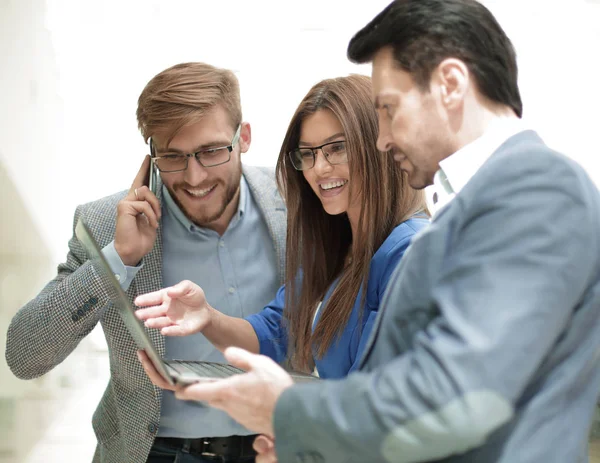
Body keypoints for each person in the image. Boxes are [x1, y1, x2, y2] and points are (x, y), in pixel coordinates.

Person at [165, 1, 600, 463]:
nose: (382, 139)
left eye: (389, 110)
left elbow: (450, 397)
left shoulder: (535, 190)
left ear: (451, 84)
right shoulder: (464, 210)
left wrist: (289, 412)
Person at [5, 62, 287, 463]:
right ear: (151, 154)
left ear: (243, 137)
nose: (194, 177)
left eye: (210, 151)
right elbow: (25, 355)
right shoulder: (106, 224)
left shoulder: (294, 204)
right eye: (172, 156)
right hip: (158, 452)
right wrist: (119, 259)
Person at [134, 74, 428, 382]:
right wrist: (207, 317)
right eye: (309, 153)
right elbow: (274, 333)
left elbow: (372, 399)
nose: (319, 168)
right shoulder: (339, 248)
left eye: (338, 148)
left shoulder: (410, 254)